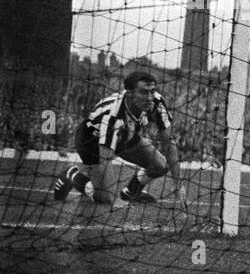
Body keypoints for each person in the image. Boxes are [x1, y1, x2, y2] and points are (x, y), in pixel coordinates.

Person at [49, 70, 185, 207]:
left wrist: (179, 185)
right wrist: (115, 200)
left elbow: (169, 143)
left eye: (152, 91)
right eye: (144, 92)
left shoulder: (157, 102)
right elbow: (105, 161)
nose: (150, 97)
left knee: (160, 165)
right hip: (91, 141)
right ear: (130, 93)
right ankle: (72, 175)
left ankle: (131, 192)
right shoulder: (113, 114)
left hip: (125, 134)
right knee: (105, 198)